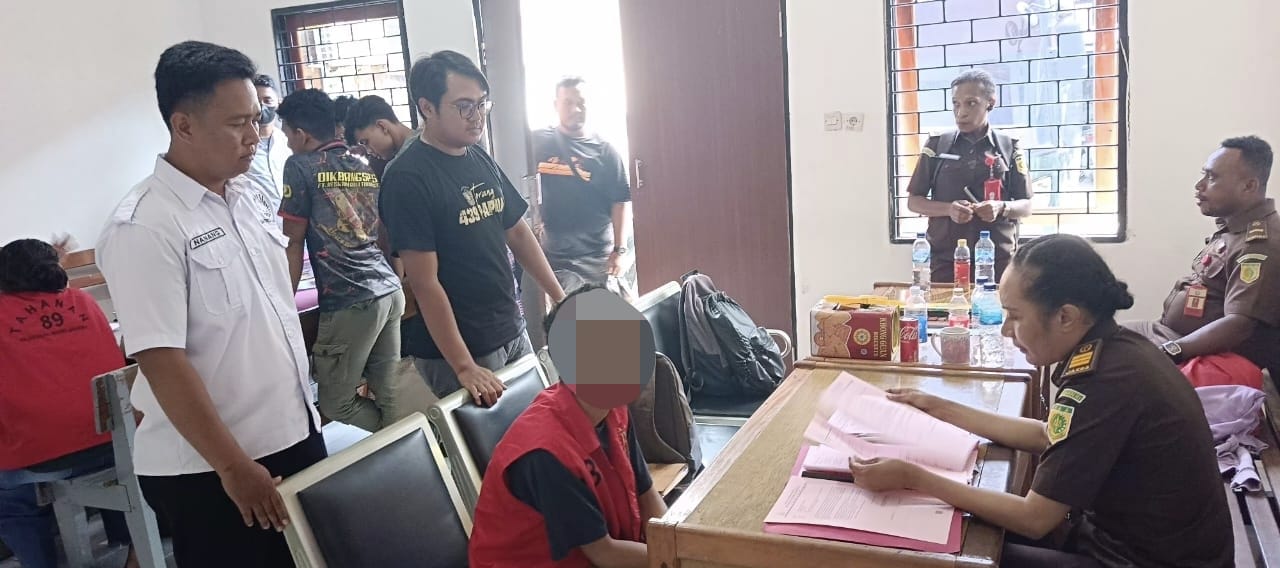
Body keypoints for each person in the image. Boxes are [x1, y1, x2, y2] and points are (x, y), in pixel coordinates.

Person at [848, 234, 1232, 567]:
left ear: (1065, 317)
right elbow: (1049, 434)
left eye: (1015, 316)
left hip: (1139, 560)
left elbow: (1035, 518)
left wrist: (913, 477)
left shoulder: (1103, 382)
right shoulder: (1119, 349)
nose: (1006, 330)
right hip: (1124, 542)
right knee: (966, 528)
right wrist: (937, 406)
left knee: (938, 555)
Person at [96, 41, 325, 568]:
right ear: (184, 125)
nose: (254, 136)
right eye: (237, 123)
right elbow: (161, 360)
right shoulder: (145, 225)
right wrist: (231, 466)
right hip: (211, 468)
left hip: (293, 432)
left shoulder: (248, 197)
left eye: (258, 119)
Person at [378, 50, 566, 406]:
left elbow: (517, 232)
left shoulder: (476, 155)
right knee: (496, 440)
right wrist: (463, 366)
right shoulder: (407, 178)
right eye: (464, 107)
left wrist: (560, 298)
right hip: (463, 349)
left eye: (481, 104)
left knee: (537, 427)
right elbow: (424, 281)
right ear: (427, 107)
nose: (477, 116)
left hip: (509, 328)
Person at [469, 285, 666, 567]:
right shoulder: (545, 453)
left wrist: (677, 545)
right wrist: (677, 560)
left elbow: (646, 495)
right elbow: (604, 553)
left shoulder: (613, 408)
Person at [276, 88, 410, 431]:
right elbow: (382, 230)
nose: (288, 144)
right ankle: (415, 446)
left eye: (288, 135)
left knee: (335, 402)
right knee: (390, 397)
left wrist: (283, 303)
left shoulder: (299, 166)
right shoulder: (363, 163)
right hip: (388, 290)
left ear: (301, 134)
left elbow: (293, 241)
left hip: (350, 300)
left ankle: (408, 443)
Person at [0, 239, 135, 568]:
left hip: (43, 460)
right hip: (117, 444)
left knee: (12, 502)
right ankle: (123, 535)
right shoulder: (84, 301)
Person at [1125, 136, 1280, 375]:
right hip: (1172, 334)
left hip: (1206, 355)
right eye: (1204, 175)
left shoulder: (1259, 245)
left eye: (1212, 177)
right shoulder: (1233, 230)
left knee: (1109, 360)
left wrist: (1170, 351)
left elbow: (1239, 324)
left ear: (1249, 186)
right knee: (1098, 339)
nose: (1199, 185)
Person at [906, 69, 1030, 284]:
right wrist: (949, 209)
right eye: (956, 104)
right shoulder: (937, 146)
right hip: (946, 261)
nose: (961, 112)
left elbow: (1027, 206)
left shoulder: (1009, 147)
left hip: (997, 261)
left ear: (990, 103)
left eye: (971, 103)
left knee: (996, 307)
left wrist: (1001, 207)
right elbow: (914, 202)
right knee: (945, 306)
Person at [532, 76, 636, 294]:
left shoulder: (605, 151)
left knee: (609, 314)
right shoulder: (537, 141)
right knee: (572, 312)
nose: (575, 109)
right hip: (555, 256)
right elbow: (522, 181)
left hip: (597, 256)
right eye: (568, 102)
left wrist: (619, 250)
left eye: (581, 103)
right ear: (556, 105)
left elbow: (620, 201)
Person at [244, 74, 292, 221]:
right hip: (257, 223)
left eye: (267, 100)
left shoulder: (288, 142)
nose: (262, 106)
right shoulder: (240, 146)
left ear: (278, 102)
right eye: (257, 101)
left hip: (292, 225)